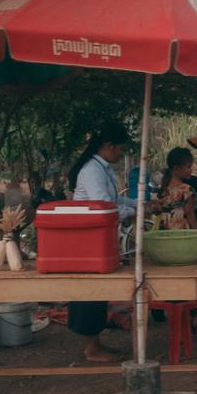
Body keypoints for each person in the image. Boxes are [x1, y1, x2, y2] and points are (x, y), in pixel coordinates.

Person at [66, 122, 131, 363]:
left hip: (98, 238)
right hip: (86, 238)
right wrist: (132, 212)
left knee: (97, 291)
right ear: (108, 146)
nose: (121, 153)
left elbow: (117, 200)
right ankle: (91, 348)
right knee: (89, 292)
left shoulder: (104, 169)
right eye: (120, 149)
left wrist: (140, 206)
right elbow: (103, 205)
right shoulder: (92, 170)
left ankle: (95, 344)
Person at [148, 147, 197, 230]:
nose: (191, 170)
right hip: (180, 234)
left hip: (164, 234)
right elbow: (190, 216)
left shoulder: (163, 188)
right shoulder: (186, 190)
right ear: (176, 168)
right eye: (188, 167)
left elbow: (156, 211)